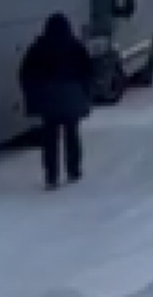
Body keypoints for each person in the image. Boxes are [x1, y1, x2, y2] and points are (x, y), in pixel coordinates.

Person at [18, 13, 96, 189]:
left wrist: (33, 93)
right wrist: (84, 93)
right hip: (71, 99)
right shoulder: (75, 47)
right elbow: (88, 71)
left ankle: (51, 175)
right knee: (72, 135)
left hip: (49, 100)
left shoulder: (39, 48)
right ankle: (73, 170)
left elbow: (25, 73)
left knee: (50, 139)